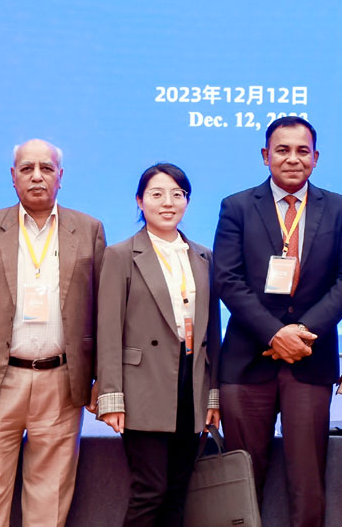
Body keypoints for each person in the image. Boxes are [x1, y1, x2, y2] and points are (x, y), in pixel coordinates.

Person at [0, 139, 107, 527]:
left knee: (49, 500)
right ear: (13, 176)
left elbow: (103, 312)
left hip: (62, 382)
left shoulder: (89, 229)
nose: (37, 176)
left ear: (60, 177)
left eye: (46, 168)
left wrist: (102, 379)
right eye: (27, 168)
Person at [212, 116, 342, 527]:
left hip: (310, 361)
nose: (292, 158)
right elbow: (227, 279)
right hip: (246, 362)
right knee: (242, 479)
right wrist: (275, 333)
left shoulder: (339, 208)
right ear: (265, 156)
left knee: (308, 481)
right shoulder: (237, 207)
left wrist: (301, 334)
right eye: (282, 150)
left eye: (302, 150)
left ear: (316, 158)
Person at [96, 163, 222, 526]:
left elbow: (213, 331)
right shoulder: (121, 254)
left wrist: (213, 394)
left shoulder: (203, 256)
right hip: (143, 386)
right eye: (157, 194)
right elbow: (108, 329)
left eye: (177, 195)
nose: (168, 203)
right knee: (150, 489)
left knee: (179, 490)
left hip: (190, 384)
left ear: (187, 202)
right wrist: (111, 396)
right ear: (140, 201)